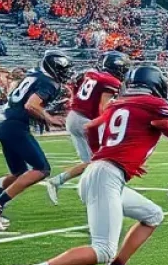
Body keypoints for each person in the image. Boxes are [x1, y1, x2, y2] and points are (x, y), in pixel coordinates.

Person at [8, 65, 168, 265]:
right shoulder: (152, 105)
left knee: (153, 215)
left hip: (101, 173)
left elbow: (90, 128)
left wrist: (103, 156)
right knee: (102, 248)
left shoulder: (118, 104)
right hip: (106, 177)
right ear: (156, 84)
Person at [0, 50, 73, 230]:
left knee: (19, 172)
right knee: (42, 169)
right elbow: (31, 105)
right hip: (15, 126)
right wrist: (49, 118)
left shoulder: (34, 74)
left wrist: (43, 116)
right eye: (62, 69)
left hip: (5, 123)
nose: (64, 73)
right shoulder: (49, 82)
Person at [44, 51, 131, 205]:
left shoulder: (91, 74)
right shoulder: (111, 81)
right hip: (87, 121)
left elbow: (75, 89)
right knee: (106, 160)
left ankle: (57, 181)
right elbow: (104, 107)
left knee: (91, 162)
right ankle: (102, 192)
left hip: (73, 117)